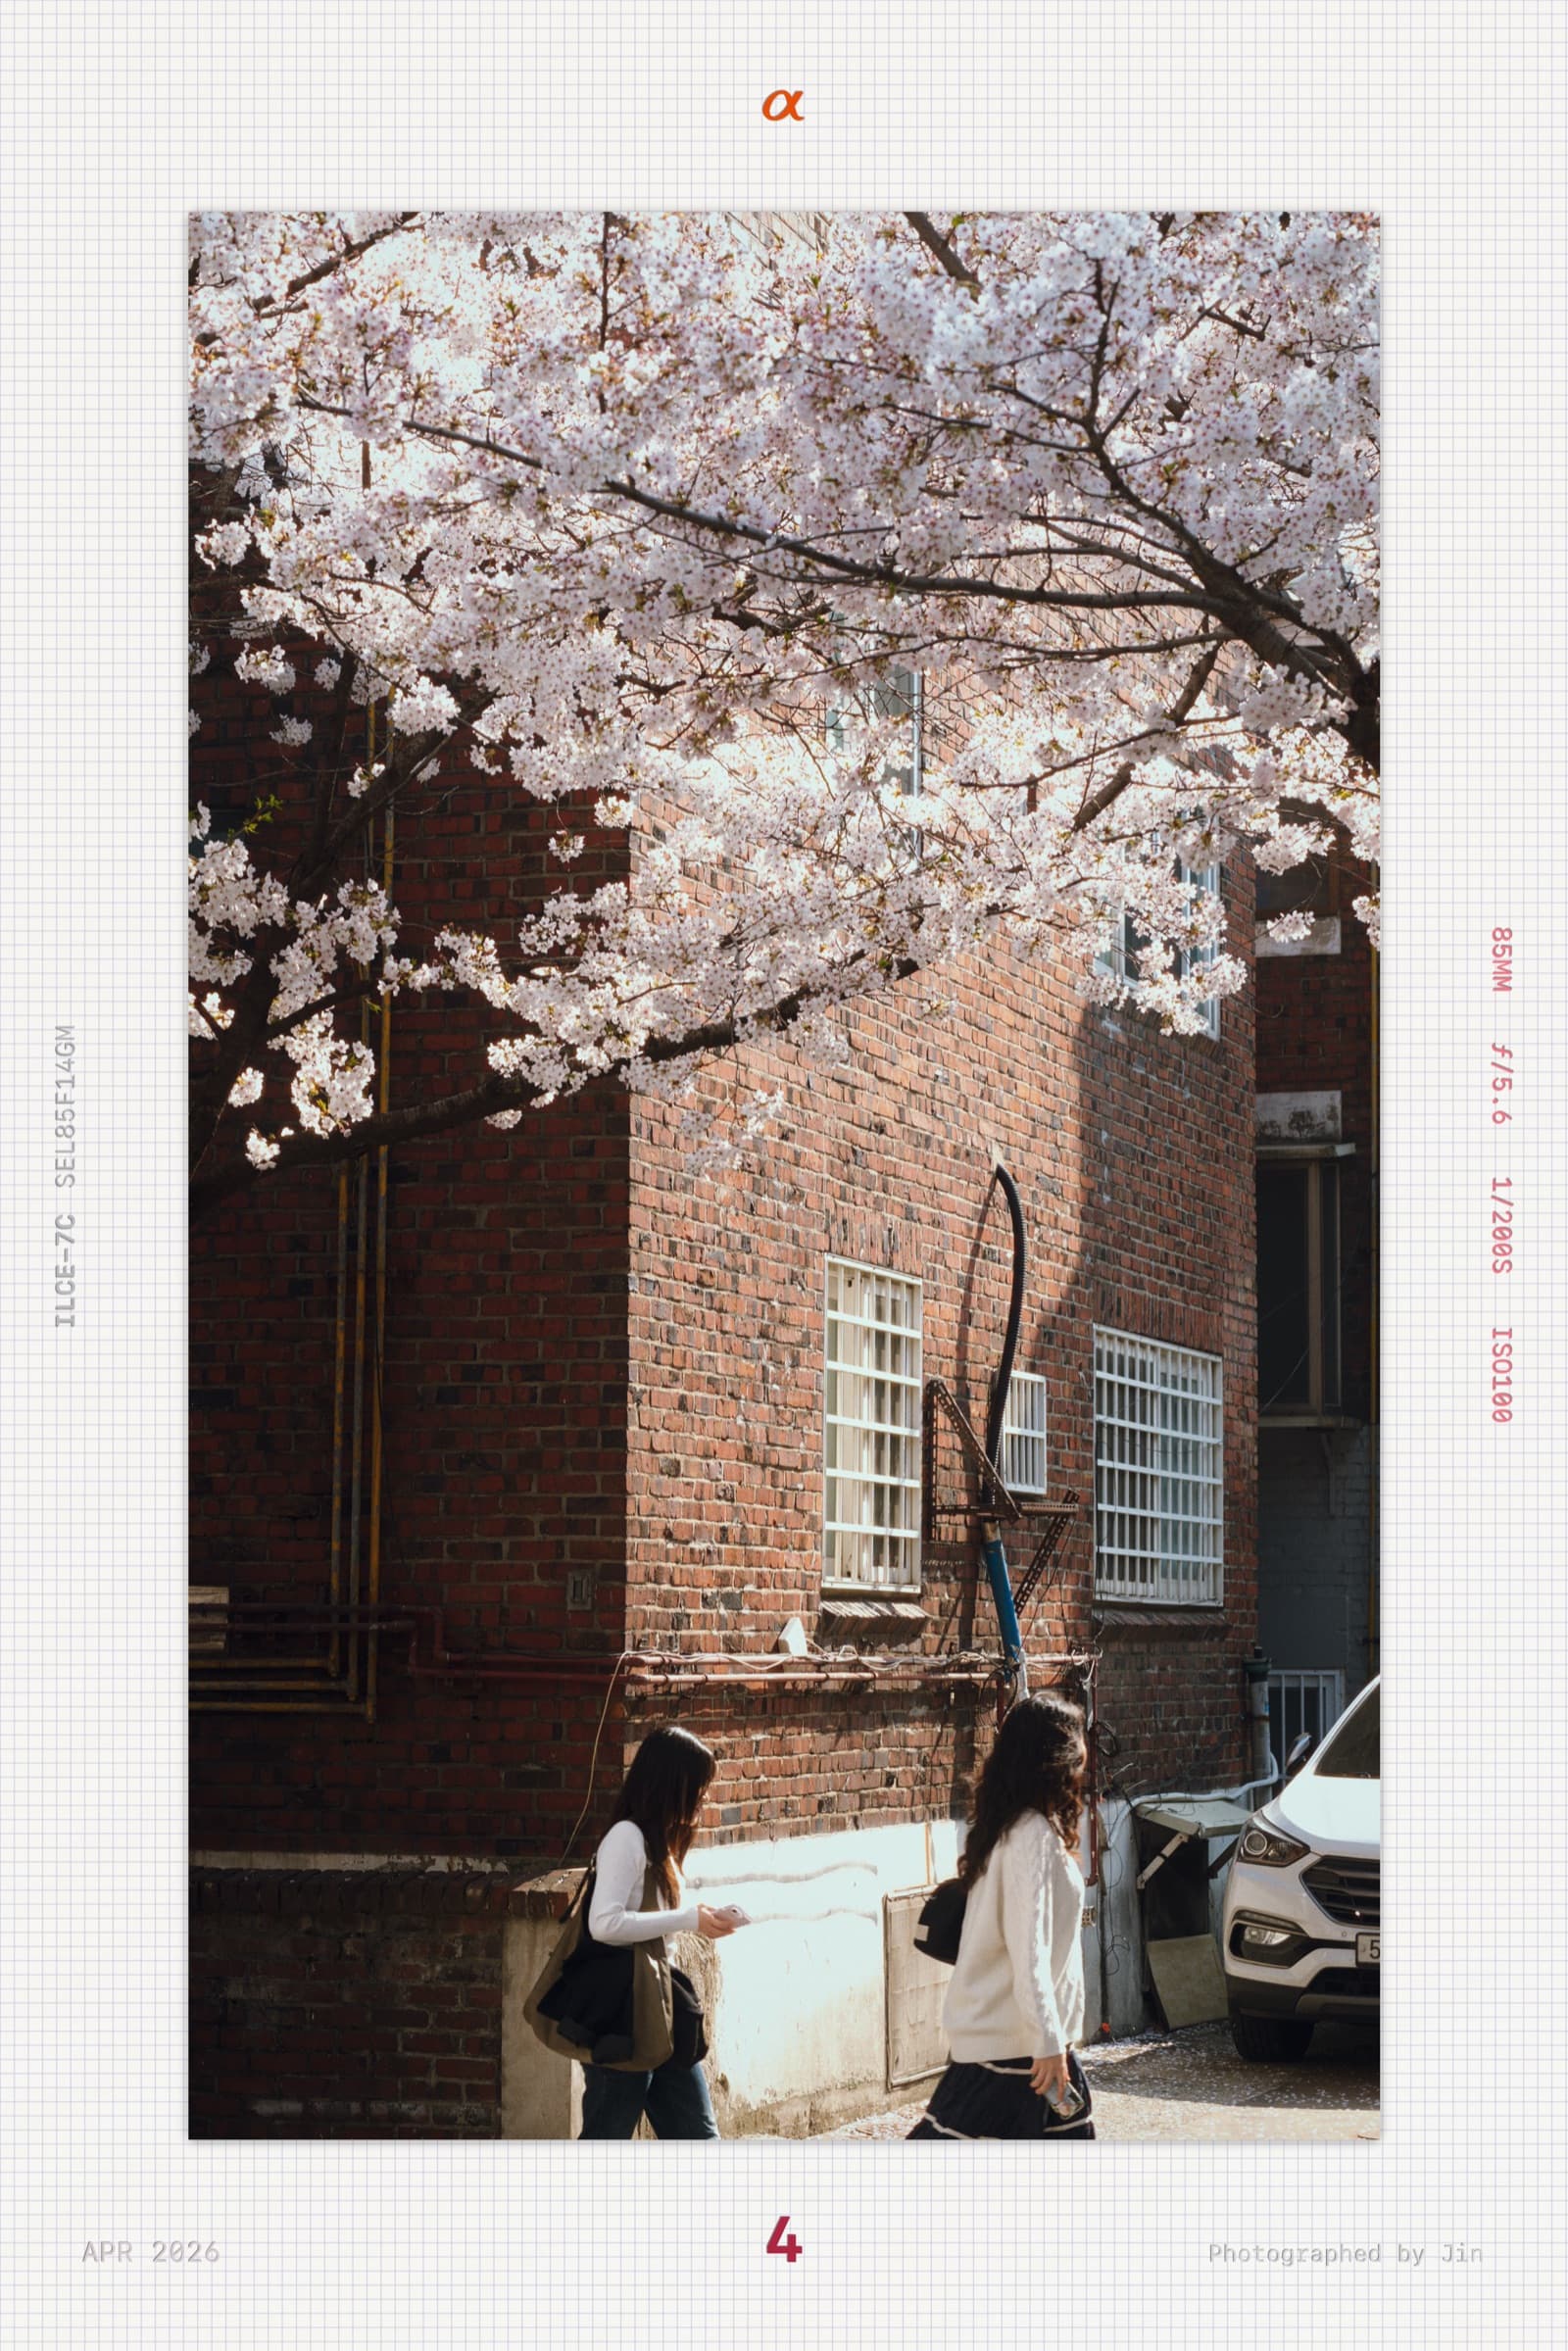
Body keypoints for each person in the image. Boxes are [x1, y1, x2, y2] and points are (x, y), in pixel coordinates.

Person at [909, 1689, 1095, 2140]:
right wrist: (1048, 2042)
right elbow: (1027, 1950)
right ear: (1060, 1756)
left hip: (1024, 2046)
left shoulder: (1016, 1827)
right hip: (1019, 2053)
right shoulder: (1030, 1834)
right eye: (1081, 1738)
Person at [577, 1724, 739, 2139]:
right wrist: (689, 1919)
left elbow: (653, 1914)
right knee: (608, 2134)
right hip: (622, 2012)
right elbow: (604, 1924)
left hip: (662, 2006)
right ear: (672, 1783)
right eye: (699, 1786)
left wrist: (703, 1917)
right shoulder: (626, 1838)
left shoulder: (660, 1841)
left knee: (697, 2135)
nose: (705, 1797)